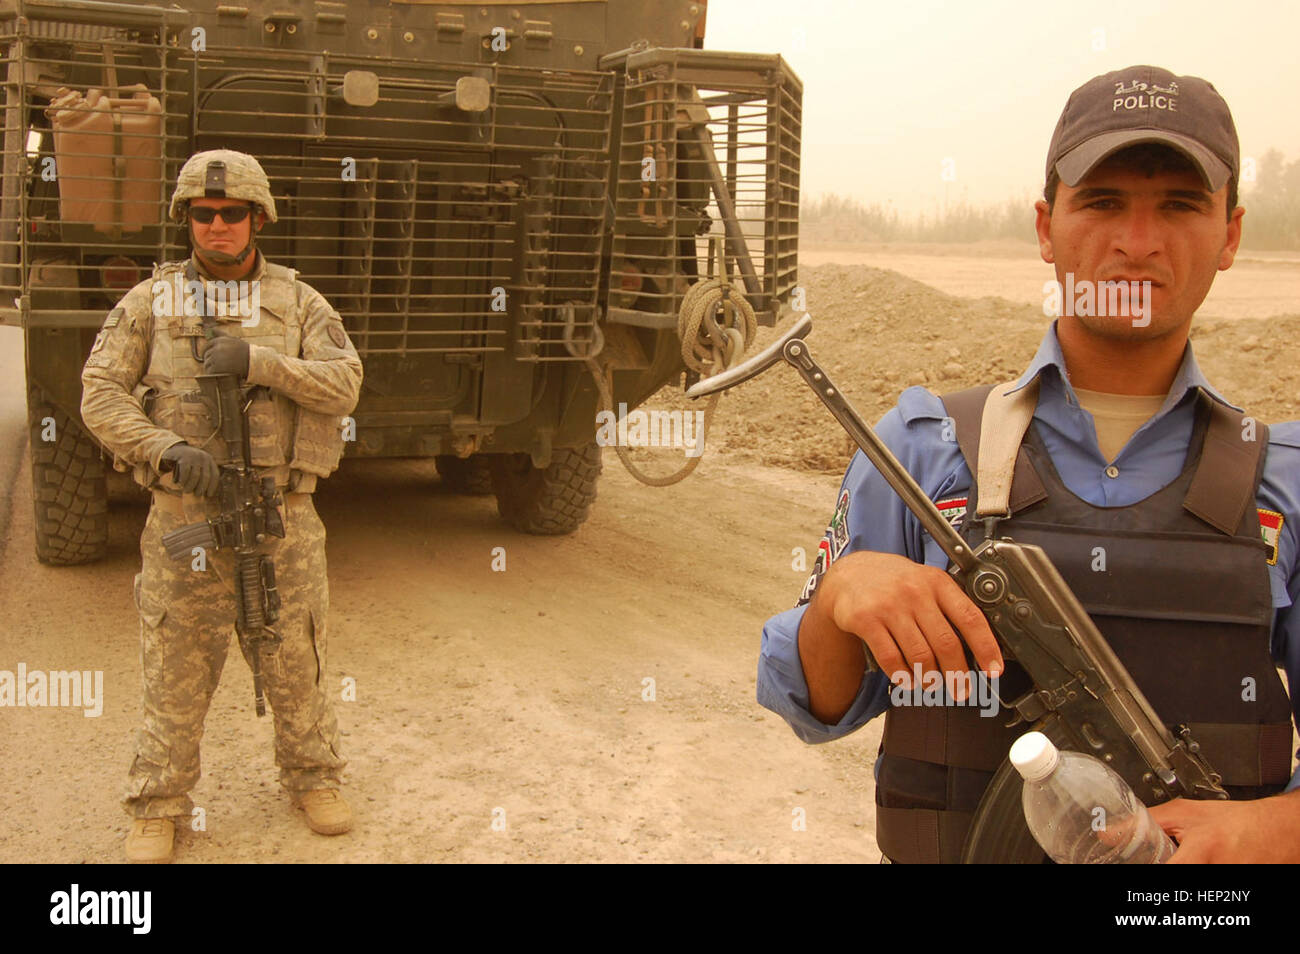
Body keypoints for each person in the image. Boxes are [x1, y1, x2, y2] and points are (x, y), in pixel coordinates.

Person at [757, 66, 1300, 864]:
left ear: (1230, 235)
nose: (1137, 242)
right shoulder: (923, 447)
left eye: (1180, 207)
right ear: (1047, 228)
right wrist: (843, 596)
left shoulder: (1282, 482)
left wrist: (1263, 832)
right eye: (1102, 202)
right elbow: (815, 704)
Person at [81, 149, 364, 862]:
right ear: (186, 220)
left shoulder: (299, 302)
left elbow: (345, 385)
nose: (216, 227)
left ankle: (312, 776)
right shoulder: (150, 301)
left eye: (231, 214)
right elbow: (99, 393)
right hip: (186, 519)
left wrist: (261, 362)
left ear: (257, 218)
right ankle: (159, 803)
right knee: (176, 659)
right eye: (202, 215)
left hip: (283, 517)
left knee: (294, 654)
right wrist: (162, 450)